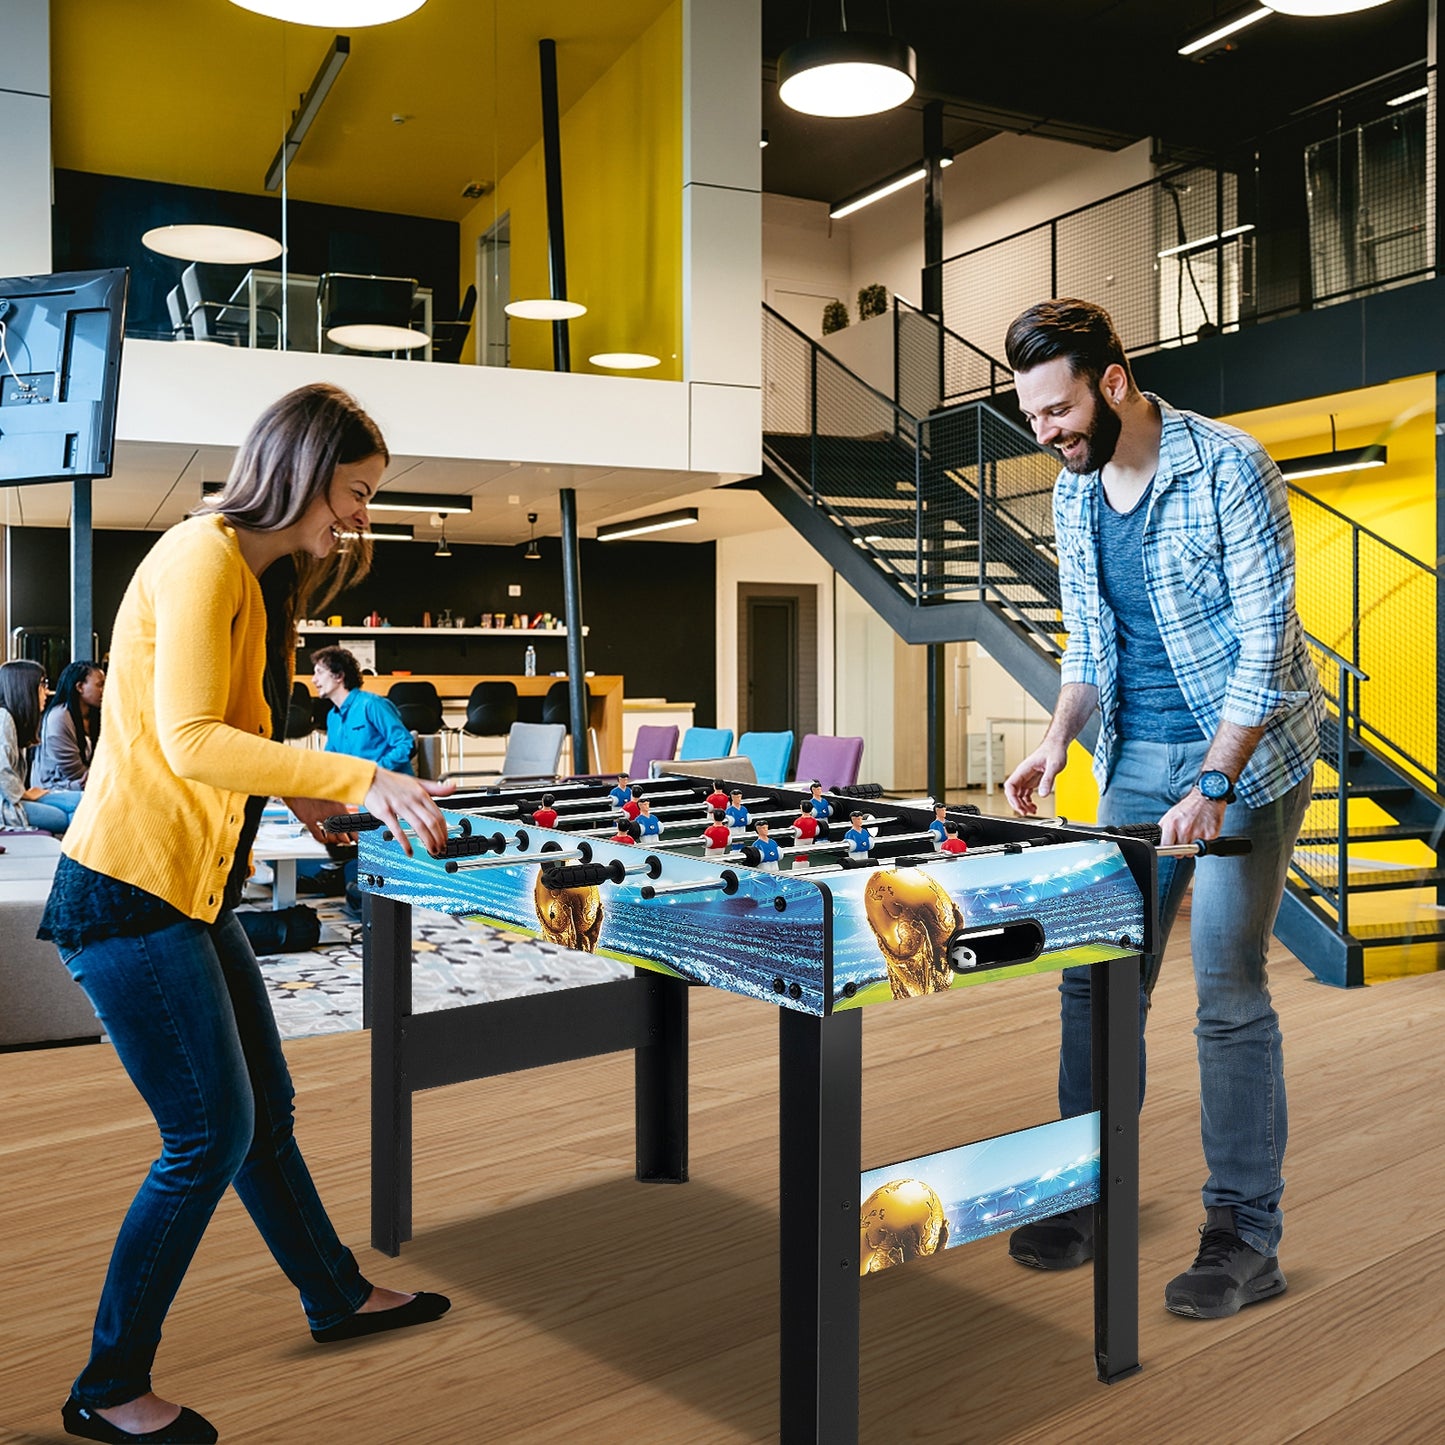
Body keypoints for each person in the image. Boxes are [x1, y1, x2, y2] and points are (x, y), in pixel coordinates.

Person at [38, 383, 458, 1445]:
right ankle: (106, 1386)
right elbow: (188, 739)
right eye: (354, 490)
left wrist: (305, 795)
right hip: (130, 892)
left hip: (193, 890)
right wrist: (356, 775)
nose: (359, 514)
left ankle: (335, 1294)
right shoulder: (201, 554)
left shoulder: (254, 577)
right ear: (303, 469)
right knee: (208, 1135)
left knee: (262, 1114)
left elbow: (237, 738)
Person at [1001, 299, 1322, 1320]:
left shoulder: (1229, 467)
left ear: (1111, 382)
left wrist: (1214, 782)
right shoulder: (1075, 491)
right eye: (1031, 416)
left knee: (1224, 986)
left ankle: (1245, 1233)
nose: (1044, 433)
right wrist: (1057, 736)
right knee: (1096, 977)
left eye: (1056, 410)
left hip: (1247, 756)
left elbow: (1265, 642)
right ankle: (1088, 1185)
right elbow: (1089, 640)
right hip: (1135, 754)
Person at [1, 660, 84, 835]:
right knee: (67, 816)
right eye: (42, 684)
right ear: (25, 687)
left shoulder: (14, 720)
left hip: (15, 799)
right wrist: (25, 794)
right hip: (6, 806)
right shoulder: (3, 718)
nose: (47, 691)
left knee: (84, 800)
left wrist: (25, 794)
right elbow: (2, 769)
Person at [311, 645, 415, 775]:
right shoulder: (332, 716)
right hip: (359, 785)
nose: (313, 679)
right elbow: (331, 759)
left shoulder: (371, 704)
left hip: (389, 783)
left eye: (319, 672)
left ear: (339, 676)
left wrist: (376, 772)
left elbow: (406, 744)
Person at [34, 660, 105, 790]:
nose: (105, 690)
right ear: (80, 687)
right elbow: (74, 772)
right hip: (53, 789)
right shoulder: (59, 718)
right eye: (100, 685)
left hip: (86, 786)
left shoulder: (97, 714)